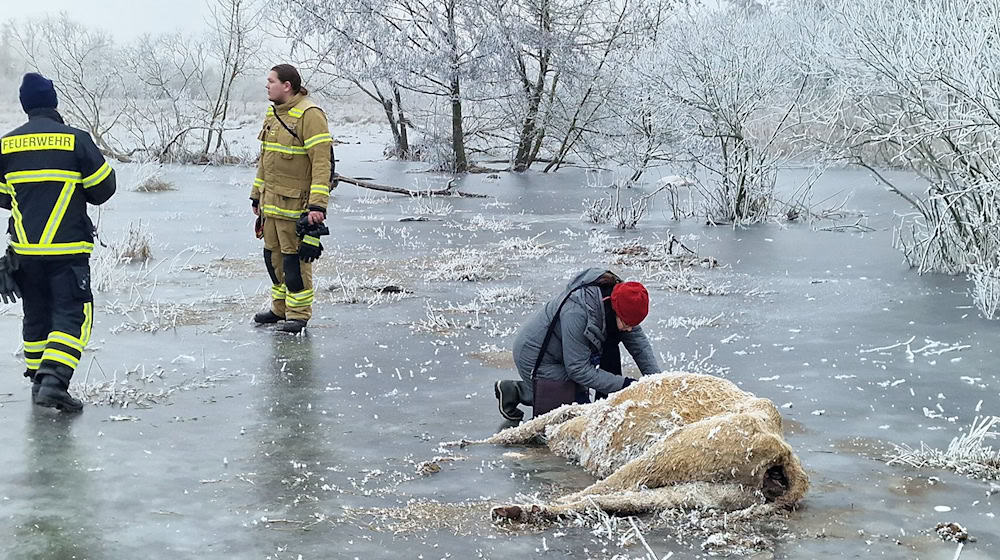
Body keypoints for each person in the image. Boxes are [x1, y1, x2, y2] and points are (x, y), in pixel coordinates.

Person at [0, 73, 116, 412]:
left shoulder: (6, 145)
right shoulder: (75, 140)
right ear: (54, 102)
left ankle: (38, 380)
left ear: (25, 106)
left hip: (25, 254)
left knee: (36, 318)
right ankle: (54, 380)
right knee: (72, 316)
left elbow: (5, 198)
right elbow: (103, 189)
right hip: (67, 251)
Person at [494, 268, 661, 421]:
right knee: (574, 417)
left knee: (579, 402)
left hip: (563, 355)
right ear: (614, 309)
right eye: (626, 323)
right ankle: (524, 391)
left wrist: (658, 381)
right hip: (538, 356)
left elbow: (639, 346)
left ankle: (517, 390)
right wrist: (625, 385)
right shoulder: (578, 312)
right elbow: (578, 369)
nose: (630, 329)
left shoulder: (620, 299)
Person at [250, 64, 333, 334]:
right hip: (270, 204)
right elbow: (265, 160)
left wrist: (318, 206)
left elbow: (322, 164)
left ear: (287, 85)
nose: (267, 85)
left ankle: (298, 314)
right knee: (273, 259)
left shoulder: (310, 115)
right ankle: (280, 308)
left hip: (296, 206)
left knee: (294, 261)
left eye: (271, 81)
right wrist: (255, 195)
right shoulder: (273, 114)